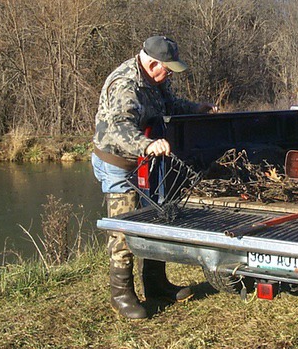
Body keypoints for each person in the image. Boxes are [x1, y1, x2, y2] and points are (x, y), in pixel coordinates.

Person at [92, 35, 216, 319]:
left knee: (156, 217)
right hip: (118, 162)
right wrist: (146, 145)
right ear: (151, 62)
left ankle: (156, 284)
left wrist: (195, 108)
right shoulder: (125, 85)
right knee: (123, 228)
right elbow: (119, 129)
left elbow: (169, 104)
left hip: (146, 163)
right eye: (167, 68)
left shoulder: (157, 80)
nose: (170, 73)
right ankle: (121, 294)